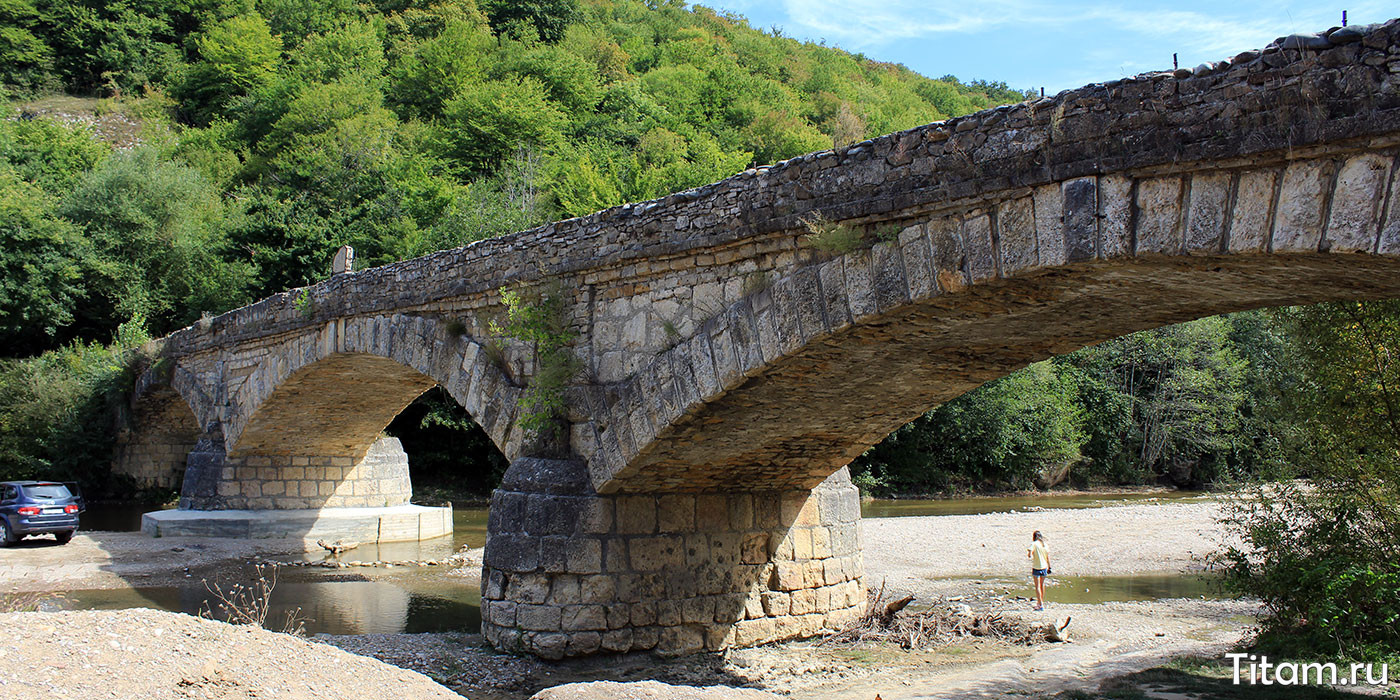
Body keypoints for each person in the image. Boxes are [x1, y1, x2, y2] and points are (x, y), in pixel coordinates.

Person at [1027, 530, 1051, 611]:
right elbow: (1047, 557)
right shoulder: (1044, 545)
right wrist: (1049, 567)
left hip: (1037, 567)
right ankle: (1040, 602)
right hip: (1044, 567)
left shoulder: (1034, 544)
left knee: (1037, 586)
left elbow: (1030, 553)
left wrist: (1030, 554)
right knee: (1042, 585)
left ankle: (1040, 604)